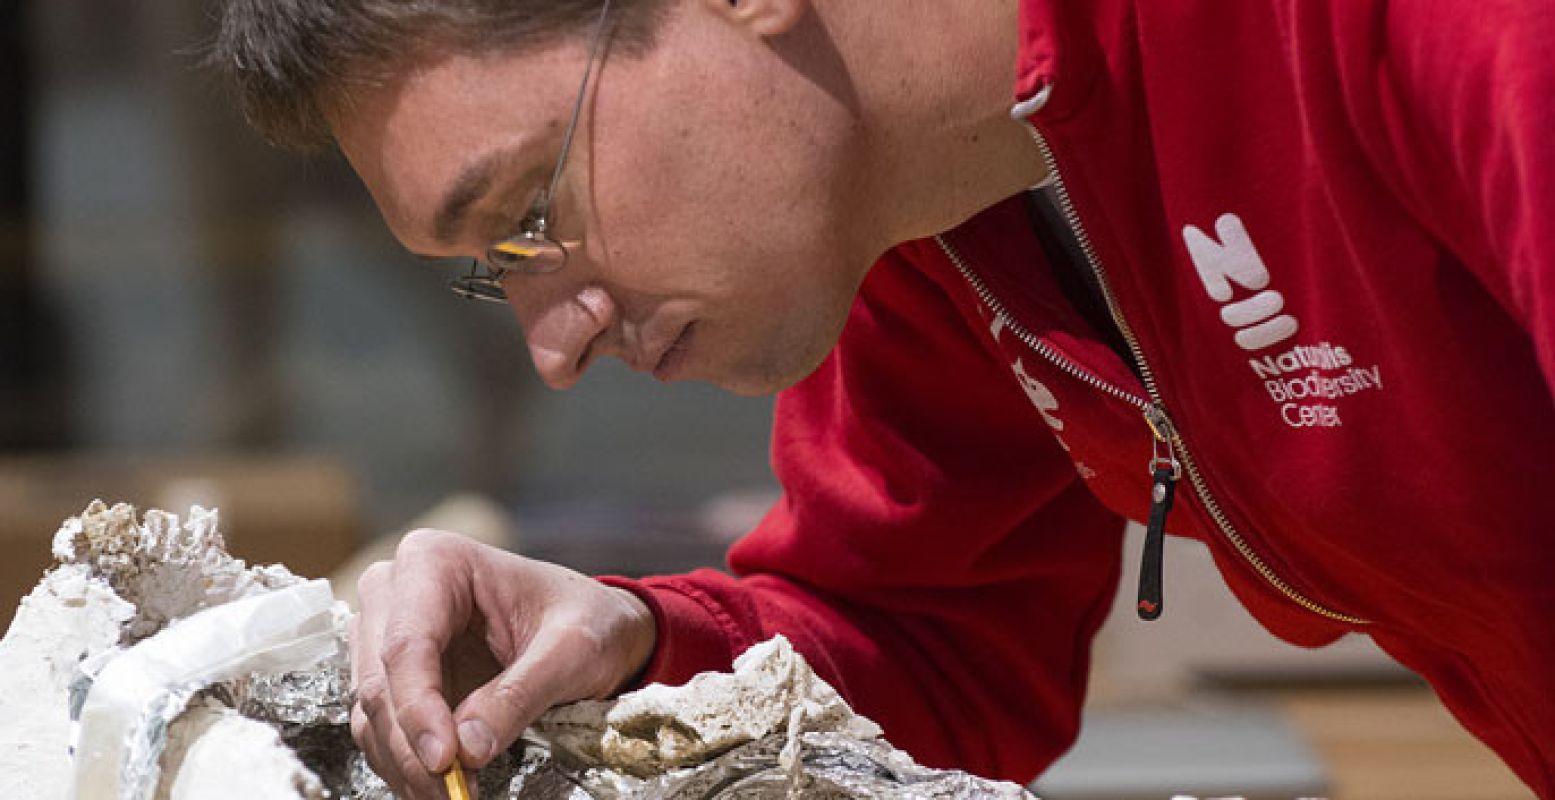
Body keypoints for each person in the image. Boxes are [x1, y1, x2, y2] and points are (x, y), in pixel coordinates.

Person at [209, 0, 1555, 796]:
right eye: (488, 274)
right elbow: (928, 639)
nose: (552, 345)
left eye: (533, 212)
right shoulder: (924, 211)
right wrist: (627, 647)